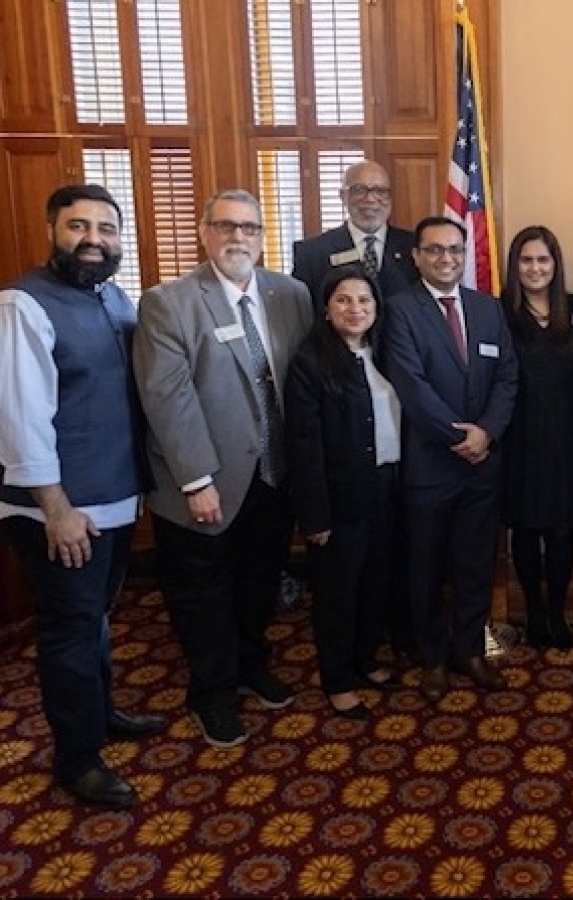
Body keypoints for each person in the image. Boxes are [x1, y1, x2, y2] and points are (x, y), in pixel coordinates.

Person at [0, 184, 164, 809]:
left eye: (107, 228)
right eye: (80, 226)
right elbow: (20, 417)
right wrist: (56, 508)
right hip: (57, 510)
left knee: (95, 619)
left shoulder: (113, 296)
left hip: (114, 497)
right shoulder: (23, 303)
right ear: (53, 229)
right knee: (70, 629)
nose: (94, 239)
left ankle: (100, 716)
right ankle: (77, 759)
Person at [134, 189, 313, 749]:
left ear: (263, 237)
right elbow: (168, 397)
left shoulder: (292, 294)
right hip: (204, 484)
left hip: (274, 473)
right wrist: (196, 479)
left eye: (251, 228)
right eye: (227, 226)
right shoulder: (169, 303)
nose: (239, 237)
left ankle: (250, 665)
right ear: (205, 232)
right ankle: (210, 693)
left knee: (259, 581)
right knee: (203, 594)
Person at [381, 216, 518, 703]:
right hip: (430, 466)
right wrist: (459, 437)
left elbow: (507, 377)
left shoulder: (487, 308)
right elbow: (410, 385)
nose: (447, 259)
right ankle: (433, 659)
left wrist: (488, 433)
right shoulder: (399, 310)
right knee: (425, 566)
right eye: (435, 250)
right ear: (417, 256)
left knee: (476, 564)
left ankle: (469, 652)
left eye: (455, 250)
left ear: (466, 255)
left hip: (483, 464)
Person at [284, 266, 403, 719]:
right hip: (339, 496)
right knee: (338, 592)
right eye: (344, 300)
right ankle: (337, 678)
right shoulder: (310, 362)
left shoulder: (383, 354)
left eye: (365, 301)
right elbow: (303, 445)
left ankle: (366, 660)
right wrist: (315, 516)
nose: (355, 309)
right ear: (327, 310)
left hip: (386, 488)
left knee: (376, 582)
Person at [500, 225, 573, 650]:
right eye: (526, 260)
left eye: (543, 260)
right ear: (514, 266)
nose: (535, 268)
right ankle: (533, 612)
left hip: (565, 439)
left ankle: (556, 612)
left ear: (555, 266)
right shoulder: (497, 313)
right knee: (525, 530)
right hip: (517, 440)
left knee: (560, 531)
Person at [291, 159, 418, 313]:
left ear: (390, 197)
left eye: (380, 191)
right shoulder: (312, 253)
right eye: (359, 190)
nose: (370, 199)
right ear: (343, 196)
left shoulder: (415, 247)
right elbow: (303, 314)